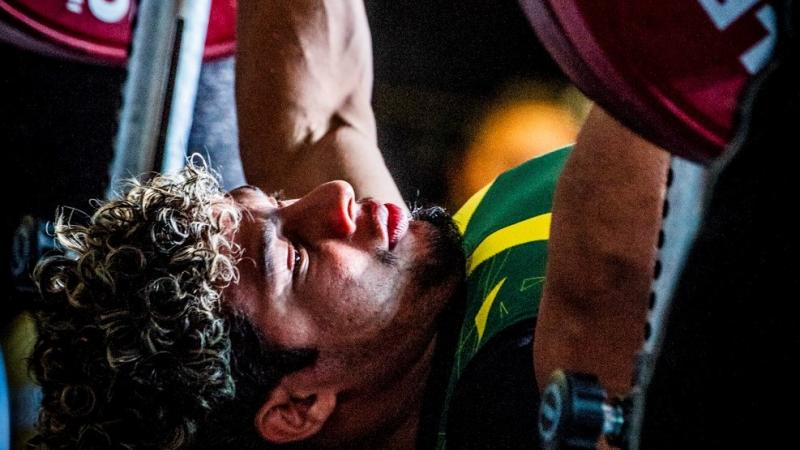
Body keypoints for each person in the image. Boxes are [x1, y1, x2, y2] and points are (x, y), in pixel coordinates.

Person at [27, 0, 668, 449]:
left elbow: (318, 113)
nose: (329, 199)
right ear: (300, 406)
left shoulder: (406, 321)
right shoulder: (520, 398)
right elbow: (615, 254)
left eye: (274, 202)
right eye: (295, 258)